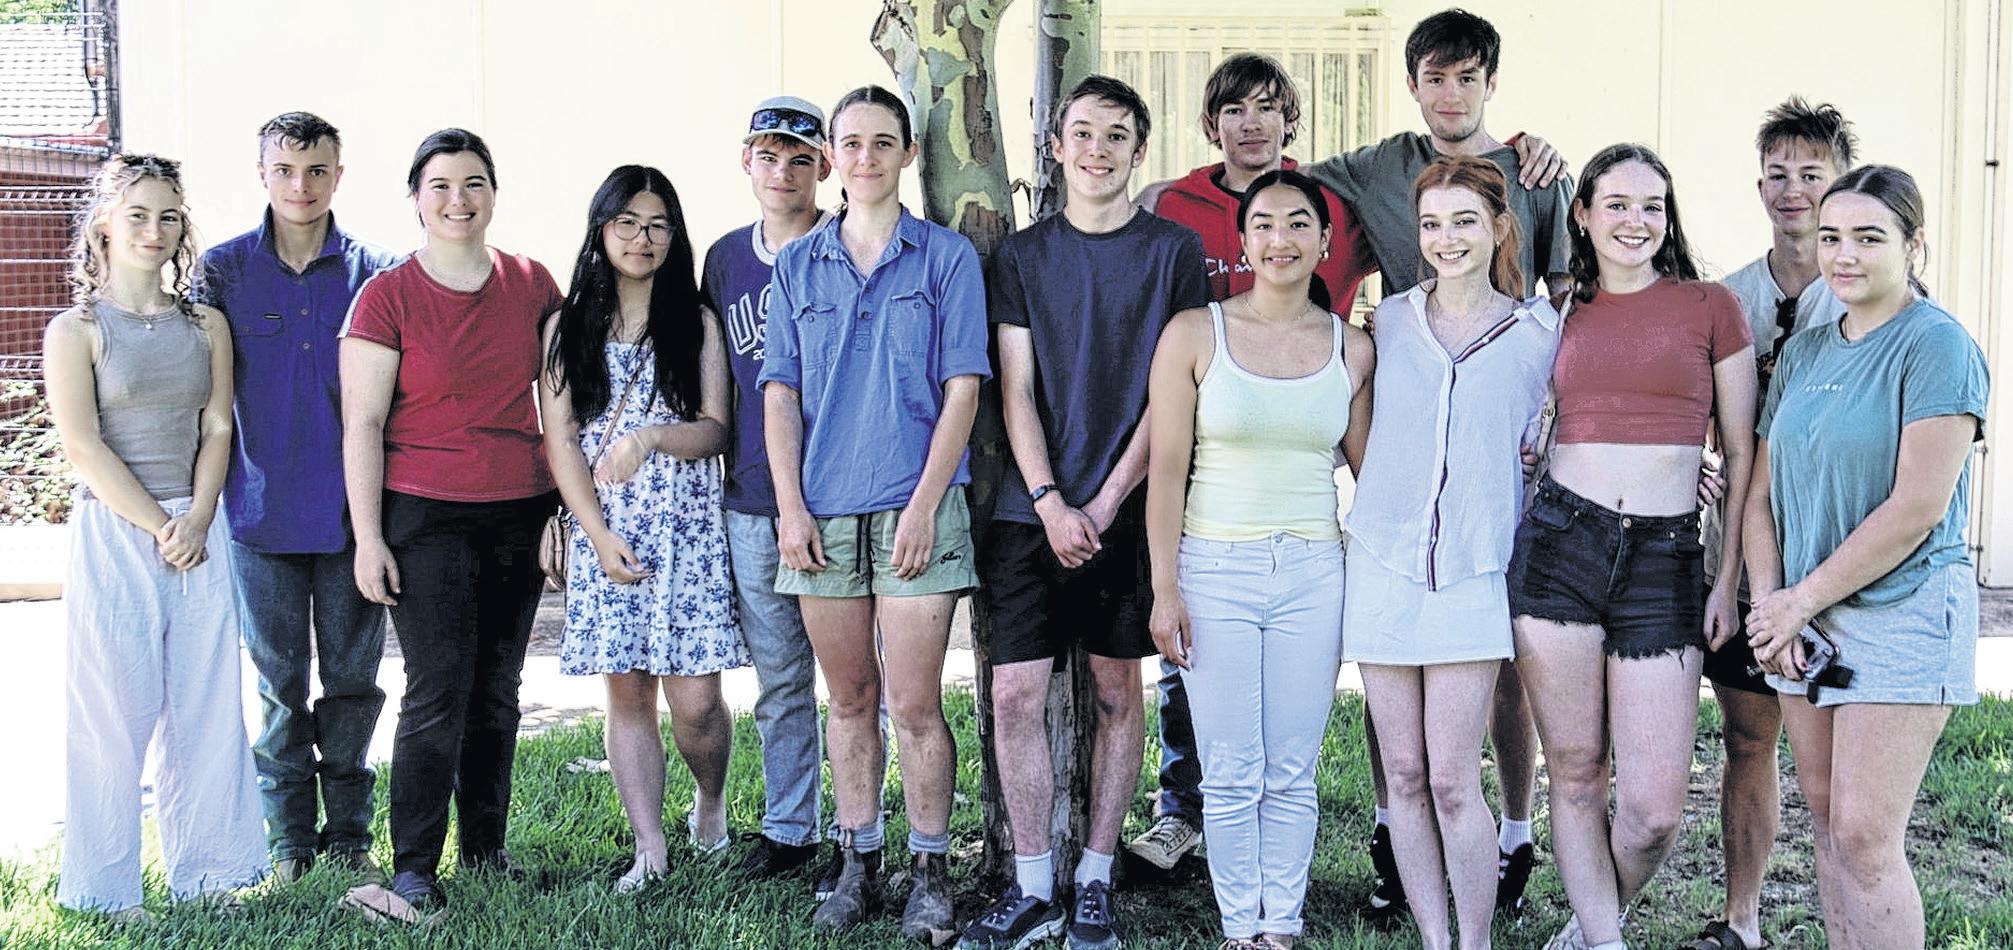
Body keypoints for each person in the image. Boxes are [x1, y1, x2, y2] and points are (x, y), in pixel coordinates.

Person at [1304, 10, 1572, 916]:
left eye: (1466, 77)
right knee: (1407, 755)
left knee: (1485, 721)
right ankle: (1405, 867)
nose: (1450, 94)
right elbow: (1282, 187)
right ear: (1413, 83)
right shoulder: (1385, 302)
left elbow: (1573, 308)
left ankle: (1513, 836)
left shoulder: (1538, 185)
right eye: (1434, 77)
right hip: (1391, 529)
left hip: (1490, 511)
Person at [957, 75, 1208, 950]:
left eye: (1116, 135)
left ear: (1139, 151)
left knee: (1113, 690)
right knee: (1015, 693)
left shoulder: (1173, 252)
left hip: (1129, 510)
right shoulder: (1020, 257)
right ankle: (1033, 886)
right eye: (1083, 133)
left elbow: (1171, 394)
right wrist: (1051, 501)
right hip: (1028, 513)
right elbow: (1014, 387)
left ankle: (1096, 875)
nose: (1097, 150)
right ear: (1056, 147)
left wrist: (1101, 501)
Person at [1509, 143, 1757, 950]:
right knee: (1576, 771)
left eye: (1651, 206)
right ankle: (1601, 938)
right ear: (1581, 215)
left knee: (1652, 809)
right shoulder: (1556, 312)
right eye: (1615, 204)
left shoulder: (1711, 306)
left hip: (1665, 560)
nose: (1635, 221)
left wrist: (1725, 577)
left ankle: (1591, 922)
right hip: (1560, 548)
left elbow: (1741, 453)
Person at [759, 85, 990, 941]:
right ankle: (857, 860)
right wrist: (790, 507)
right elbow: (780, 395)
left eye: (882, 142)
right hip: (821, 513)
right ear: (831, 156)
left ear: (907, 154)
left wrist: (925, 506)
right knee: (849, 698)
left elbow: (962, 388)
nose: (865, 158)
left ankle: (930, 869)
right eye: (850, 143)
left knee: (916, 703)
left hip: (915, 506)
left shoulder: (945, 258)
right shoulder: (797, 266)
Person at [1743, 165, 1988, 950]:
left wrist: (1797, 601)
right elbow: (1758, 497)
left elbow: (1915, 510)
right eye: (1830, 237)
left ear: (1913, 245)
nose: (1843, 255)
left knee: (1863, 838)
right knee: (1824, 824)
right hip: (1804, 620)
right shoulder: (1805, 352)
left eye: (1867, 238)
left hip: (1901, 609)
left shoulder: (1937, 345)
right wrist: (1771, 608)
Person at [1146, 169, 1375, 949]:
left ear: (1324, 240)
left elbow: (1373, 473)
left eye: (1298, 223)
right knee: (1231, 768)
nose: (1281, 239)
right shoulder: (1193, 333)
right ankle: (1239, 929)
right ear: (1242, 242)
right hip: (1213, 569)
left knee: (1290, 769)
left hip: (1313, 571)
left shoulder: (1352, 348)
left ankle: (1281, 928)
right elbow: (1166, 471)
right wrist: (1165, 589)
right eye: (1265, 225)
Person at [340, 128, 562, 913]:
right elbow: (363, 424)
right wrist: (369, 537)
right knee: (437, 692)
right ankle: (413, 867)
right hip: (424, 516)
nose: (457, 200)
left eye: (473, 183)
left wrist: (561, 511)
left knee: (499, 690)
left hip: (519, 511)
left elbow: (562, 408)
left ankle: (487, 852)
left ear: (493, 194)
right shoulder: (387, 296)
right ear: (416, 198)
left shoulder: (533, 284)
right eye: (439, 185)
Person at [1345, 155, 1559, 950]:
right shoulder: (1387, 322)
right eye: (1431, 224)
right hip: (1383, 562)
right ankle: (1434, 940)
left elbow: (1566, 438)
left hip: (1474, 568)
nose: (1446, 239)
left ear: (1498, 227)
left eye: (1464, 221)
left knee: (1449, 779)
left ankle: (1473, 941)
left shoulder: (1540, 334)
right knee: (1402, 775)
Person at [46, 153, 267, 918]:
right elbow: (83, 447)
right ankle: (104, 891)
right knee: (112, 714)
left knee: (207, 706)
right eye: (137, 214)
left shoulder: (205, 325)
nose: (154, 229)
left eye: (168, 215)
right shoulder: (76, 330)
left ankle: (211, 876)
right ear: (104, 224)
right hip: (116, 533)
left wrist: (199, 518)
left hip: (200, 532)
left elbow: (217, 425)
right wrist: (162, 525)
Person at [194, 111, 399, 885]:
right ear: (262, 175)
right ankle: (288, 844)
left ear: (338, 175)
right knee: (279, 687)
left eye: (316, 170)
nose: (300, 185)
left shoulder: (376, 272)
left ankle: (348, 837)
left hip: (353, 520)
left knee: (351, 685)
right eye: (284, 170)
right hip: (258, 518)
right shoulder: (222, 272)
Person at [541, 165, 748, 892]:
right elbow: (562, 440)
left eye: (658, 225)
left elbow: (716, 429)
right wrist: (595, 536)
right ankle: (650, 848)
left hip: (685, 531)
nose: (642, 238)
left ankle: (711, 800)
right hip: (609, 530)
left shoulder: (696, 322)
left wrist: (653, 436)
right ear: (601, 229)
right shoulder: (566, 327)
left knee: (696, 703)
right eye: (627, 223)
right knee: (628, 695)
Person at [1688, 97, 1854, 950]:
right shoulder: (1729, 298)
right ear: (1758, 187)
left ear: (1840, 184)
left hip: (1842, 566)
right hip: (1743, 562)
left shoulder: (1872, 291)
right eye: (1777, 174)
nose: (1793, 190)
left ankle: (1849, 922)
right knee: (1748, 739)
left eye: (1810, 174)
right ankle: (1741, 920)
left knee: (1839, 773)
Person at [701, 95, 852, 884]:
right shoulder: (726, 258)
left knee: (858, 682)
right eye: (768, 155)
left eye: (800, 157)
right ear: (746, 161)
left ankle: (859, 830)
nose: (783, 171)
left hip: (843, 494)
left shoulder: (850, 243)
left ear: (824, 165)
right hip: (753, 496)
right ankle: (790, 829)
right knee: (781, 679)